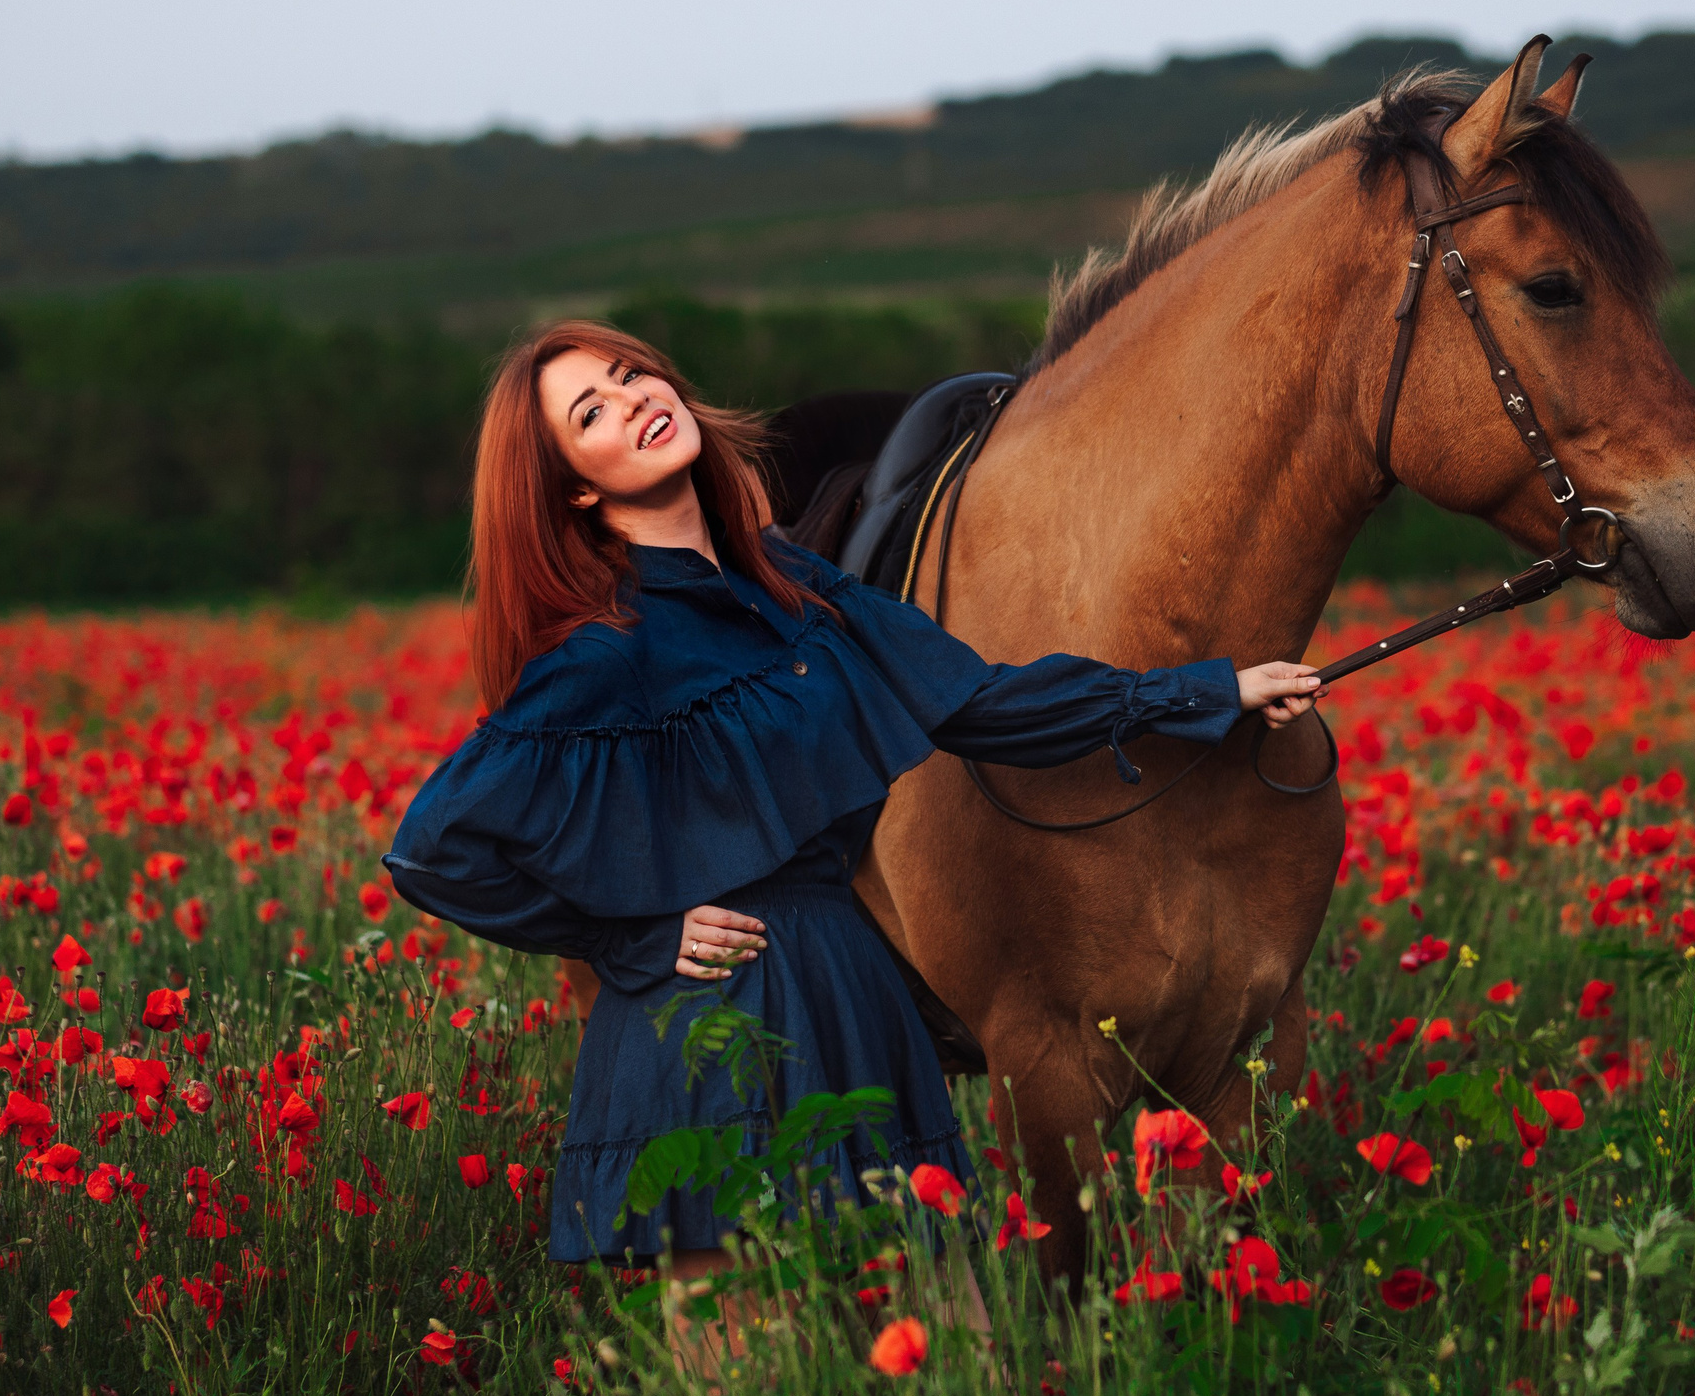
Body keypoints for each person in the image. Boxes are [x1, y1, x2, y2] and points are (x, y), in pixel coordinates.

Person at [381, 319, 1321, 1282]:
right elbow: (436, 845)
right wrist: (628, 938)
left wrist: (1208, 691)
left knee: (945, 1345)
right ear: (577, 484)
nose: (633, 400)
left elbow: (982, 700)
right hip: (716, 1026)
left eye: (631, 375)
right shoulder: (608, 647)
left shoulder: (795, 587)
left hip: (852, 996)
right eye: (593, 411)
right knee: (753, 1386)